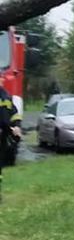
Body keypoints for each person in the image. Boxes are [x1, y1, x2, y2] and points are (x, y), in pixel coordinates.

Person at [0, 75, 22, 203]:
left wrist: (17, 126)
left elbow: (14, 114)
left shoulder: (5, 96)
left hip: (3, 137)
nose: (2, 79)